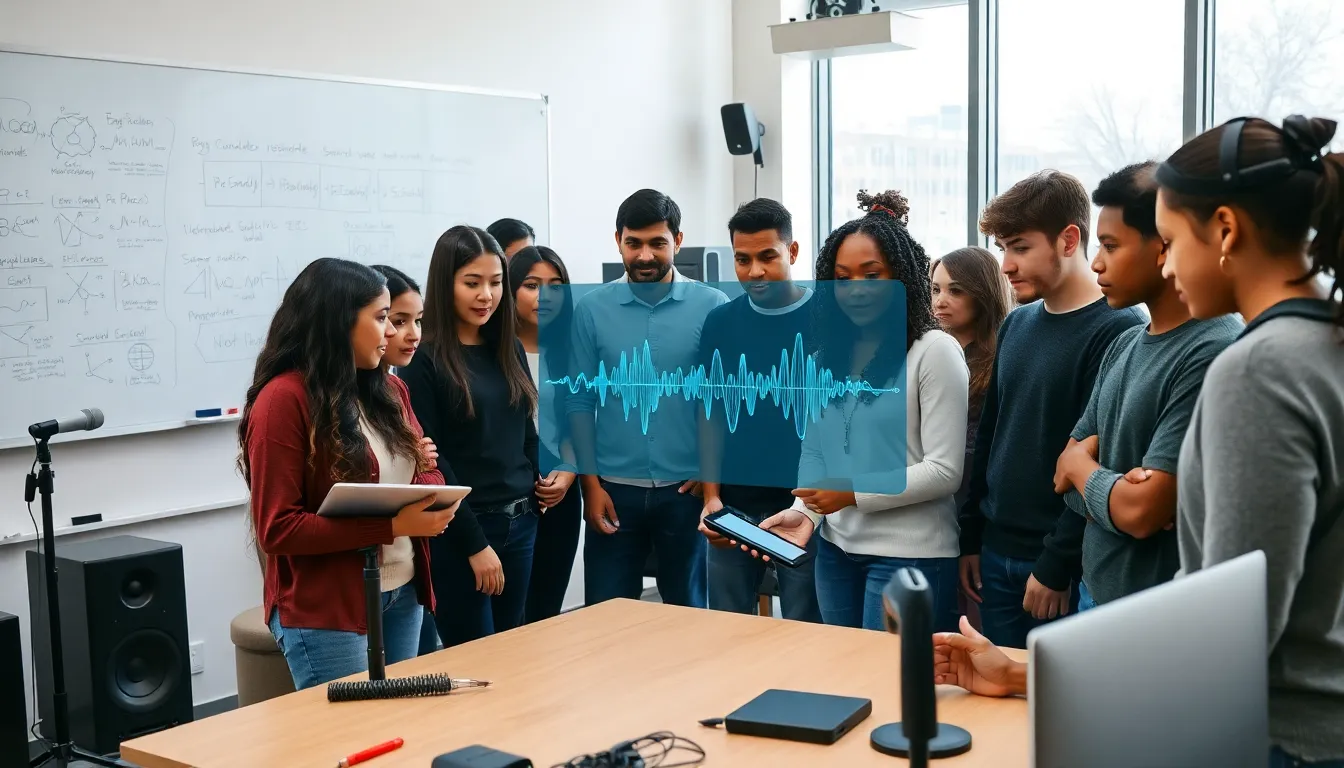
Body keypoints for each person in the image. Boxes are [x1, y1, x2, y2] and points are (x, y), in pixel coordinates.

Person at [935, 115, 1344, 768]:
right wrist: (1018, 673)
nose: (1167, 263)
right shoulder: (1320, 342)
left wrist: (1099, 481)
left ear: (1226, 230)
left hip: (1272, 734)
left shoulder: (1258, 368)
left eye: (1172, 241)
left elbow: (1223, 636)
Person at [741, 190, 968, 633]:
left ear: (901, 276)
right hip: (836, 552)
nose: (856, 289)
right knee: (844, 669)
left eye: (872, 274)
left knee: (890, 674)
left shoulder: (934, 352)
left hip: (911, 555)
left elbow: (944, 471)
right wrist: (806, 513)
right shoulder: (825, 357)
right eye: (843, 278)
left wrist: (850, 493)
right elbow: (815, 453)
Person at [240, 258, 455, 689]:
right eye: (381, 318)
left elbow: (426, 473)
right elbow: (278, 528)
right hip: (327, 607)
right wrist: (392, 525)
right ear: (338, 322)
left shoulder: (391, 389)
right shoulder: (283, 400)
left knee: (400, 721)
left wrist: (426, 493)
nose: (391, 332)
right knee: (347, 728)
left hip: (403, 589)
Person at [959, 170, 1146, 648]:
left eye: (1020, 247)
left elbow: (1101, 456)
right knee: (994, 686)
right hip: (995, 551)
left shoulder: (1119, 328)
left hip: (1057, 565)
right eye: (1002, 248)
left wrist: (1057, 564)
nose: (1006, 265)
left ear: (1068, 240)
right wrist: (971, 539)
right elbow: (991, 436)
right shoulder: (1017, 323)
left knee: (1051, 693)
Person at [1052, 164, 1241, 611]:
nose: (1096, 262)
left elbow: (1141, 512)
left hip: (1159, 612)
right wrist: (1114, 491)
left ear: (1163, 246)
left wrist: (1087, 472)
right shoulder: (1123, 344)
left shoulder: (1212, 348)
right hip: (1094, 592)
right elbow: (1061, 475)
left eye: (1111, 245)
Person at [566, 189, 728, 608]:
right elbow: (580, 404)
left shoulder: (713, 306)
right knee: (606, 617)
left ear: (678, 241)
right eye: (633, 243)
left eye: (657, 242)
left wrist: (710, 477)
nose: (644, 255)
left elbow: (719, 402)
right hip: (613, 491)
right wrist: (590, 487)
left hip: (685, 494)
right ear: (617, 240)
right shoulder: (591, 309)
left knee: (689, 615)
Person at [399, 226, 541, 646]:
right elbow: (433, 462)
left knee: (512, 651)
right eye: (472, 283)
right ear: (446, 284)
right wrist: (475, 545)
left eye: (496, 283)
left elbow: (525, 429)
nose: (486, 295)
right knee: (474, 657)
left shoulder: (507, 346)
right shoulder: (423, 358)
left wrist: (538, 484)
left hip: (521, 522)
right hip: (464, 530)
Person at [694, 198, 822, 623]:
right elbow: (710, 413)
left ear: (793, 251)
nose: (754, 271)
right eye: (742, 259)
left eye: (768, 256)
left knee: (807, 626)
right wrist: (711, 498)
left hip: (804, 506)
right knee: (728, 627)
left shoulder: (826, 319)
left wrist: (813, 508)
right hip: (734, 506)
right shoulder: (720, 322)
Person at [508, 245, 583, 622]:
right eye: (532, 285)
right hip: (509, 495)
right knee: (510, 615)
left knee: (545, 610)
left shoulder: (573, 350)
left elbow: (585, 420)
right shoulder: (495, 353)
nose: (545, 296)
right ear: (510, 291)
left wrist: (569, 471)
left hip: (560, 492)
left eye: (556, 286)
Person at [929, 247, 1013, 511]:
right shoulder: (924, 351)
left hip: (981, 499)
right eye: (935, 289)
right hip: (925, 497)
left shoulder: (1005, 356)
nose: (940, 301)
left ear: (983, 294)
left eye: (955, 291)